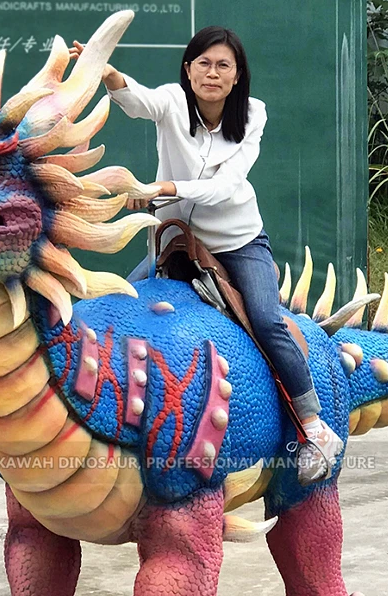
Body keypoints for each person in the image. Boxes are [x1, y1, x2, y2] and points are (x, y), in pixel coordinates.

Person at [69, 27, 343, 483]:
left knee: (267, 319)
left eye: (223, 66)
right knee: (124, 303)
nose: (212, 73)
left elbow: (225, 187)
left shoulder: (253, 115)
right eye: (203, 63)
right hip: (174, 239)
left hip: (238, 240)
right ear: (188, 69)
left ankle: (315, 426)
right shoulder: (172, 103)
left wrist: (161, 189)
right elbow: (137, 100)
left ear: (237, 77)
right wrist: (108, 73)